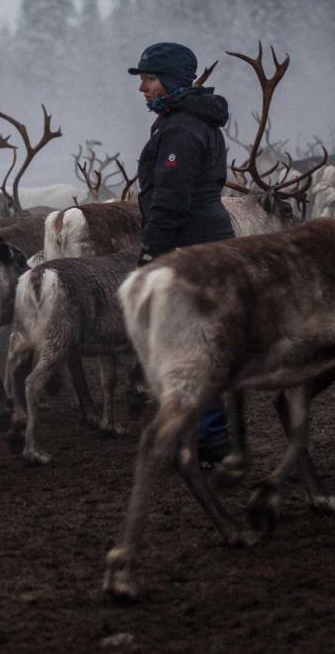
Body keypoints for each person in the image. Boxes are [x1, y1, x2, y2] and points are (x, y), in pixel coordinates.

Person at [128, 41, 233, 464]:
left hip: (192, 248)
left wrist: (152, 252)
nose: (143, 89)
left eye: (148, 79)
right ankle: (206, 436)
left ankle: (208, 441)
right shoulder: (183, 122)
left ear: (170, 82)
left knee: (191, 343)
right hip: (204, 241)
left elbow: (171, 199)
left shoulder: (181, 130)